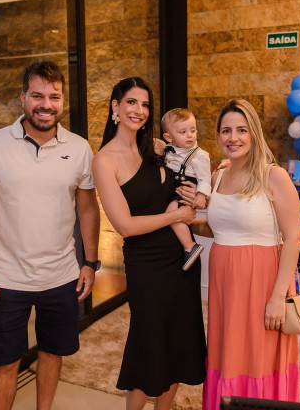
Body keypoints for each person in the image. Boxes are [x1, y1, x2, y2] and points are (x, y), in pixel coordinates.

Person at [0, 60, 100, 410]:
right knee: (6, 362)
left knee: (52, 354)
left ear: (62, 100)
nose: (46, 104)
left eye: (54, 97)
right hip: (8, 279)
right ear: (23, 98)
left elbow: (88, 210)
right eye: (38, 96)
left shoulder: (79, 148)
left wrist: (90, 263)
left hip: (61, 276)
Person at [92, 77, 206, 410]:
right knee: (148, 347)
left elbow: (190, 178)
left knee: (178, 345)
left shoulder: (158, 147)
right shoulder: (104, 160)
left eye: (145, 104)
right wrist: (177, 216)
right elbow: (125, 226)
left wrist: (197, 195)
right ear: (115, 106)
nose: (139, 110)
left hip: (182, 259)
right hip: (146, 265)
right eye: (131, 102)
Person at [193, 99, 300, 409]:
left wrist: (278, 297)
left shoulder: (273, 176)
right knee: (227, 352)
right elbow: (220, 228)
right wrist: (182, 219)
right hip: (225, 285)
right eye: (226, 130)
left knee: (258, 356)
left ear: (254, 133)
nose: (233, 138)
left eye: (241, 130)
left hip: (263, 283)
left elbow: (294, 237)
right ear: (217, 135)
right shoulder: (218, 175)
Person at [161, 108, 211, 270]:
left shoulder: (199, 156)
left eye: (193, 130)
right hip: (173, 189)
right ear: (169, 137)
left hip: (184, 189)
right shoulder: (168, 150)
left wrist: (201, 195)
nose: (190, 135)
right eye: (183, 132)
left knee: (171, 213)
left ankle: (190, 246)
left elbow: (205, 178)